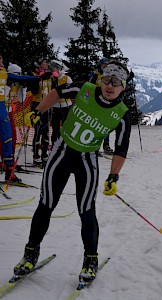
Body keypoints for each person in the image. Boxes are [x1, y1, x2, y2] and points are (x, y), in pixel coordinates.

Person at [14, 61, 132, 283]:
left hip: (87, 160)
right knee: (46, 204)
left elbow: (121, 147)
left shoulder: (122, 113)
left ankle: (90, 259)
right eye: (107, 79)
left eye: (116, 82)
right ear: (100, 79)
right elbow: (57, 92)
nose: (110, 85)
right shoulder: (83, 89)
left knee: (86, 210)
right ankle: (30, 253)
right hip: (62, 152)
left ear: (123, 87)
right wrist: (37, 111)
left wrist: (113, 176)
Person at [0, 56, 38, 182]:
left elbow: (21, 98)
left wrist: (26, 85)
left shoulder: (11, 80)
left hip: (7, 112)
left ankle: (9, 169)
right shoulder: (6, 77)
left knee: (11, 139)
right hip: (3, 111)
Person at [27, 58, 55, 167]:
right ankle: (35, 155)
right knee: (37, 131)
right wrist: (39, 78)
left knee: (46, 131)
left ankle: (44, 155)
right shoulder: (33, 74)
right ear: (39, 65)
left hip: (47, 105)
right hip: (37, 105)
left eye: (46, 63)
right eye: (44, 63)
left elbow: (54, 89)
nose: (46, 65)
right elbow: (33, 90)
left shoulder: (50, 75)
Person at [89, 57, 113, 154]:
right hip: (96, 102)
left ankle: (106, 145)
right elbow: (88, 86)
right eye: (104, 65)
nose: (105, 67)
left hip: (107, 102)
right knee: (96, 125)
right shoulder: (95, 74)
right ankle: (94, 146)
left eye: (107, 65)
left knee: (106, 125)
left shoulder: (110, 75)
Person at [48, 60, 73, 147]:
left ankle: (66, 144)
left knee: (66, 126)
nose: (51, 70)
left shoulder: (66, 78)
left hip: (65, 105)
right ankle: (55, 144)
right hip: (55, 106)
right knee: (55, 128)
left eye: (53, 68)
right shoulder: (51, 78)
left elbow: (71, 91)